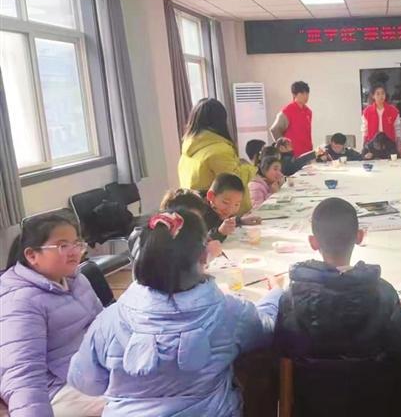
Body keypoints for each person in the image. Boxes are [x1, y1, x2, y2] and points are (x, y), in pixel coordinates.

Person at [67, 209, 283, 416]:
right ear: (204, 256)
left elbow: (86, 383)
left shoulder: (110, 319)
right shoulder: (230, 312)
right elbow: (266, 330)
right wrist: (275, 295)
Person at [276, 197, 401, 358]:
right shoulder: (384, 292)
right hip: (371, 374)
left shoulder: (292, 295)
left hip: (310, 375)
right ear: (360, 237)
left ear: (313, 242)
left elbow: (283, 345)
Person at [1, 212, 105, 417]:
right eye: (63, 246)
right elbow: (23, 373)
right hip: (58, 389)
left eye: (77, 244)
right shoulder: (21, 301)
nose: (74, 252)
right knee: (140, 402)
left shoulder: (76, 279)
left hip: (93, 370)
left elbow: (104, 327)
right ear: (32, 255)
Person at [178, 98, 257, 215]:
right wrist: (250, 167)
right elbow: (235, 182)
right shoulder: (219, 150)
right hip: (225, 216)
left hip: (199, 214)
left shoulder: (187, 151)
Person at [204, 173, 260, 243]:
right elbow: (198, 243)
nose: (230, 210)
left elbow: (223, 222)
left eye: (236, 204)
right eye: (226, 202)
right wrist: (219, 232)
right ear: (211, 196)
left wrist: (240, 221)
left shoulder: (219, 210)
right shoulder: (198, 213)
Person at [270, 81, 314, 157]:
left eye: (307, 93)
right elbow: (275, 129)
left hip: (307, 153)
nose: (305, 96)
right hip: (293, 155)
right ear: (294, 94)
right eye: (302, 93)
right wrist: (284, 148)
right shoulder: (287, 111)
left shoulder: (308, 111)